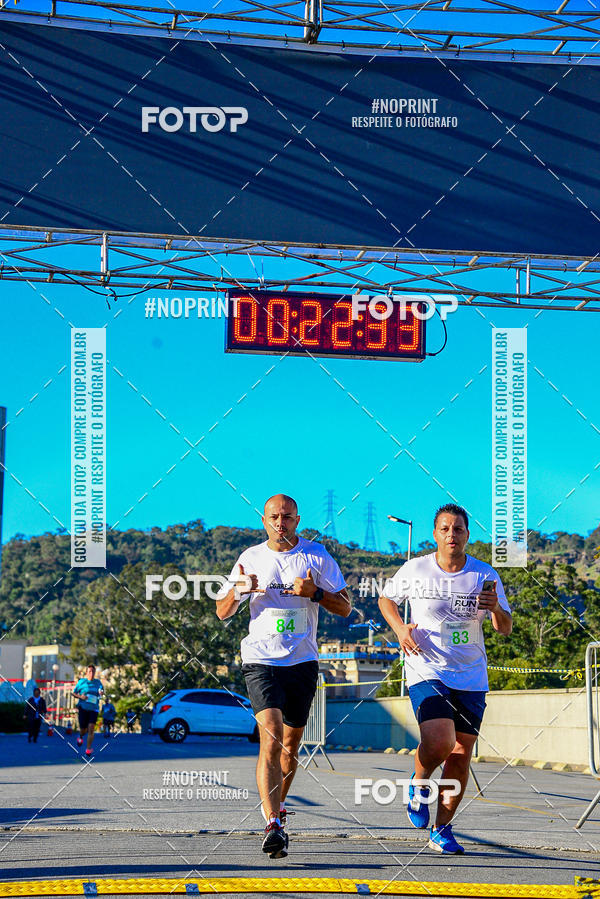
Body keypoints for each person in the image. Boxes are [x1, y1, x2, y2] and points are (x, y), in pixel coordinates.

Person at [216, 493, 351, 859]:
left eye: (287, 517)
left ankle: (278, 807)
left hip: (302, 662)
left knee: (290, 747)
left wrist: (316, 593)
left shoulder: (316, 556)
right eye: (274, 517)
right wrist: (239, 592)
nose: (280, 523)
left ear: (297, 520)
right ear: (264, 521)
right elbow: (222, 611)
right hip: (260, 660)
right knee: (271, 738)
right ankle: (273, 823)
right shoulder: (249, 558)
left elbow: (345, 607)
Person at [378, 503, 512, 855]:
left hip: (470, 675)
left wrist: (496, 608)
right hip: (426, 667)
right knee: (439, 741)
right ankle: (419, 782)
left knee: (461, 754)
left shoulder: (484, 574)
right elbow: (387, 600)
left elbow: (505, 628)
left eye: (458, 529)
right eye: (445, 529)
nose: (452, 534)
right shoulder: (416, 568)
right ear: (435, 534)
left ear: (468, 535)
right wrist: (399, 629)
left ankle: (442, 829)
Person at [73, 664, 104, 756]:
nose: (91, 673)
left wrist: (101, 693)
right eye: (90, 671)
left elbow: (101, 692)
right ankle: (80, 736)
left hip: (94, 709)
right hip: (83, 708)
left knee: (91, 729)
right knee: (83, 729)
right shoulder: (82, 682)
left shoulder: (98, 682)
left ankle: (88, 748)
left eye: (93, 671)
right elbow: (74, 693)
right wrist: (81, 697)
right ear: (86, 673)